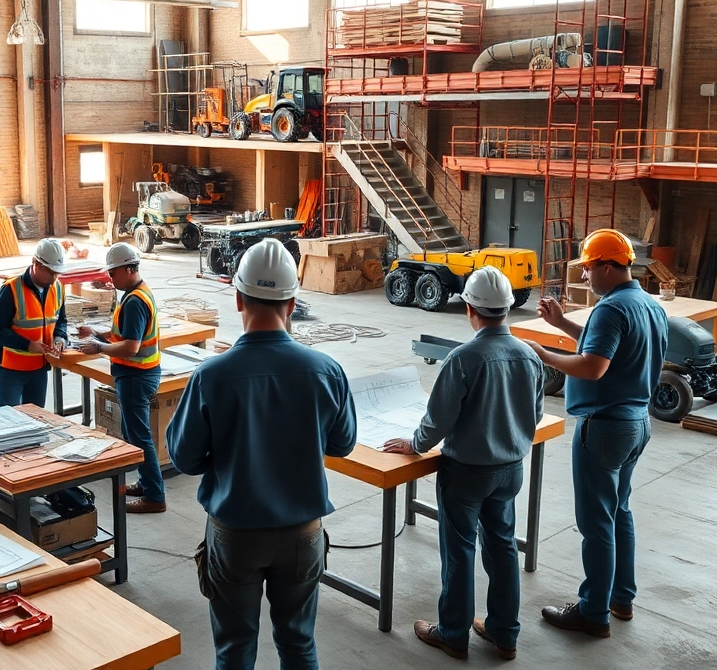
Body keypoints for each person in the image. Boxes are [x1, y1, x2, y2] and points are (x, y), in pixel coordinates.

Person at [167, 238, 357, 670]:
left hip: (235, 535)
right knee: (298, 643)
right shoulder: (326, 370)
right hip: (303, 536)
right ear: (292, 302)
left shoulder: (211, 375)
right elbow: (343, 443)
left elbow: (185, 458)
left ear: (238, 298)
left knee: (235, 649)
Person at [382, 267, 544, 661]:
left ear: (469, 308)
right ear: (507, 308)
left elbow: (438, 419)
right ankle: (505, 634)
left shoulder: (464, 358)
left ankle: (453, 634)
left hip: (467, 473)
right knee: (503, 548)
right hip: (510, 470)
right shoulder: (529, 355)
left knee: (459, 552)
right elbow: (535, 414)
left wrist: (415, 444)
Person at [522, 229, 668, 638]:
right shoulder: (645, 303)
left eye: (587, 268)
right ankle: (621, 598)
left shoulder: (609, 310)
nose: (584, 276)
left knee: (596, 523)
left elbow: (593, 367)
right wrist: (562, 324)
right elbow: (611, 348)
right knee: (618, 512)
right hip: (636, 423)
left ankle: (592, 612)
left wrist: (543, 353)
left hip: (604, 427)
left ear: (606, 266)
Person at [77, 242, 166, 513]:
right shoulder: (136, 293)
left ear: (129, 269)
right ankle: (145, 483)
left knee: (139, 437)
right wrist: (99, 333)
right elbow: (125, 335)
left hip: (137, 375)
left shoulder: (135, 301)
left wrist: (99, 348)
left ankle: (154, 497)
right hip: (138, 374)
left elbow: (131, 346)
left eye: (113, 273)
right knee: (132, 433)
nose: (110, 278)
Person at [0, 238, 70, 407]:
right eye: (51, 272)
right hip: (11, 370)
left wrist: (60, 338)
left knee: (36, 418)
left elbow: (61, 320)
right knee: (8, 419)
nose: (55, 278)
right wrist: (28, 344)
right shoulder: (11, 289)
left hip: (39, 369)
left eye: (57, 273)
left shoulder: (58, 288)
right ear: (36, 264)